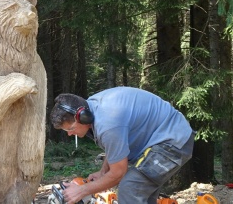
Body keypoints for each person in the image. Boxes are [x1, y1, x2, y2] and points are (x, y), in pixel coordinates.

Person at [50, 86, 195, 204]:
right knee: (141, 195)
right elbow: (116, 147)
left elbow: (118, 173)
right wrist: (102, 172)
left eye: (70, 129)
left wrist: (81, 191)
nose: (69, 134)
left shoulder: (107, 124)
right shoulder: (93, 109)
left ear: (83, 117)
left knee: (130, 188)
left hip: (173, 141)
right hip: (163, 140)